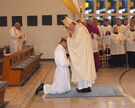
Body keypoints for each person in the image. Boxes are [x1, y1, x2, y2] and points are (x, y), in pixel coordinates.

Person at [63, 17, 97, 93]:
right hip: (84, 53)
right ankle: (86, 86)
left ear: (72, 24)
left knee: (81, 69)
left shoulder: (79, 29)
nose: (69, 29)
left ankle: (83, 88)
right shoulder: (81, 27)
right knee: (85, 70)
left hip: (82, 55)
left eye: (69, 27)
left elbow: (77, 42)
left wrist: (68, 39)